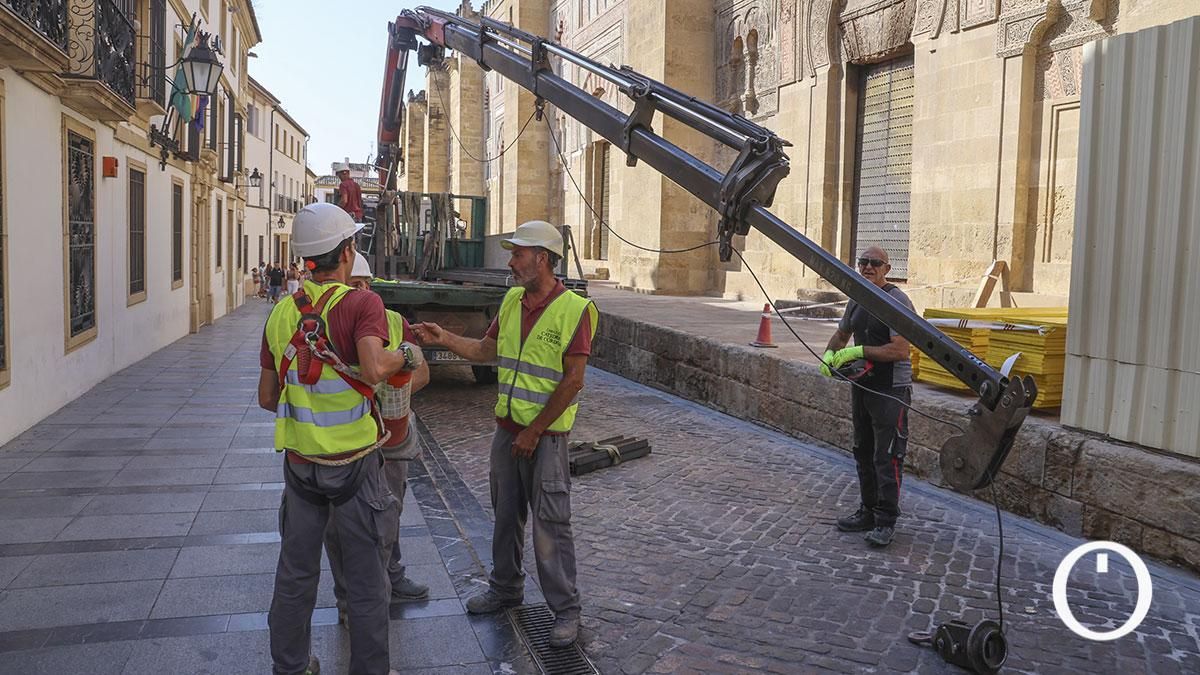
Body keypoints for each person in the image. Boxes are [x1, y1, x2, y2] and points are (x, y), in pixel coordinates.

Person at [411, 220, 597, 648]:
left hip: (545, 437)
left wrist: (534, 431)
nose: (511, 263)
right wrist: (445, 337)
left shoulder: (575, 311)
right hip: (507, 431)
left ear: (543, 259)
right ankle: (506, 588)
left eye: (518, 255)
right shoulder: (512, 301)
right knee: (505, 518)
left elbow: (572, 382)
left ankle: (566, 611)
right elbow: (485, 350)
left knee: (551, 525)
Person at [259, 202, 420, 675]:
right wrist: (406, 353)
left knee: (295, 576)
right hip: (355, 467)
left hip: (301, 468)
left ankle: (290, 666)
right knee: (368, 583)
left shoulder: (280, 315)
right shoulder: (362, 303)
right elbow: (374, 367)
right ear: (347, 252)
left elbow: (268, 397)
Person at [325, 252, 431, 628]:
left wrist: (395, 389)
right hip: (348, 442)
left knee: (390, 514)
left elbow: (422, 373)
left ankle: (393, 577)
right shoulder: (328, 321)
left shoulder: (393, 321)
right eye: (353, 285)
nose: (362, 292)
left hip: (393, 438)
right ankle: (348, 600)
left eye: (365, 285)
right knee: (342, 527)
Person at [821, 245, 914, 548]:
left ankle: (886, 520)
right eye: (863, 262)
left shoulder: (897, 301)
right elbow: (842, 333)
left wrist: (859, 351)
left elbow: (900, 349)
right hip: (862, 385)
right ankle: (868, 511)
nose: (868, 268)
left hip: (890, 389)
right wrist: (829, 356)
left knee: (887, 455)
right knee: (863, 450)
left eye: (875, 263)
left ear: (888, 269)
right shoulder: (857, 298)